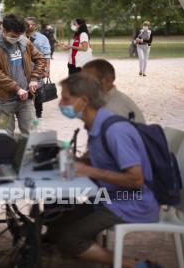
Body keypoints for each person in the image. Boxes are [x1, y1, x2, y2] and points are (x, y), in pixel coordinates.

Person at [47, 73, 159, 268]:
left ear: (83, 101)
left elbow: (135, 180)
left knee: (69, 238)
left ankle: (135, 265)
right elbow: (107, 161)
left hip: (131, 201)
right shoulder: (96, 124)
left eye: (65, 98)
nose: (60, 103)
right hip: (111, 196)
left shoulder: (115, 130)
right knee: (58, 216)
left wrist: (88, 171)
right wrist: (80, 161)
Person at [0, 14, 46, 136]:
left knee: (32, 134)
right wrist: (17, 89)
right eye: (14, 35)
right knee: (3, 136)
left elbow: (40, 58)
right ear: (4, 29)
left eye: (19, 35)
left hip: (26, 100)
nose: (17, 38)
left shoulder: (24, 41)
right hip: (4, 101)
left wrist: (34, 78)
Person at [83, 59, 146, 123]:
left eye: (87, 80)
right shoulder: (107, 101)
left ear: (107, 81)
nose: (82, 84)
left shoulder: (114, 109)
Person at [26, 16, 52, 119]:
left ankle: (38, 110)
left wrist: (47, 69)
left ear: (36, 26)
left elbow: (47, 54)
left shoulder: (42, 38)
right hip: (23, 67)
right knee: (24, 88)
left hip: (38, 67)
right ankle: (24, 111)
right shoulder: (20, 36)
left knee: (38, 89)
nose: (29, 26)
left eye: (31, 24)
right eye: (27, 24)